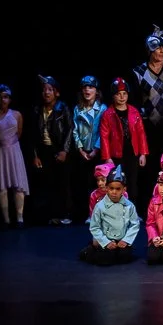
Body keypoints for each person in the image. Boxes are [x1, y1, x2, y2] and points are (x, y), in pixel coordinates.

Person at [132, 25, 163, 202]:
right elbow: (136, 101)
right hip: (149, 126)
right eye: (156, 48)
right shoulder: (139, 72)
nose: (160, 51)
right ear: (149, 50)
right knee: (150, 167)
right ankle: (151, 203)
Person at [99, 77, 149, 210]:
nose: (122, 97)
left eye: (124, 94)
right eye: (118, 94)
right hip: (116, 154)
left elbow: (141, 133)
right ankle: (117, 211)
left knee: (132, 183)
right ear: (113, 96)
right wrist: (107, 157)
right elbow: (104, 137)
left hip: (132, 152)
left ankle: (133, 211)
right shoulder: (108, 114)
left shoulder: (134, 111)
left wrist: (143, 153)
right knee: (117, 182)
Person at [30, 75, 73, 225]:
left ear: (56, 92)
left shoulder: (62, 108)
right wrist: (35, 155)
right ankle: (50, 215)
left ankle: (65, 214)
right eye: (44, 90)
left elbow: (69, 130)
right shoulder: (37, 109)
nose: (46, 93)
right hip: (44, 151)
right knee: (47, 183)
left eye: (50, 90)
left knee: (62, 183)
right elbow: (34, 135)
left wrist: (64, 151)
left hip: (59, 149)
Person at [0, 84, 29, 226]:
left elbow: (20, 132)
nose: (2, 100)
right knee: (2, 186)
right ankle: (6, 219)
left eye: (5, 97)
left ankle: (20, 218)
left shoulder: (16, 114)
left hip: (14, 151)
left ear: (9, 99)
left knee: (18, 185)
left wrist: (10, 143)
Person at [82, 164, 139, 266]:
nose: (114, 192)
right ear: (107, 188)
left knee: (124, 258)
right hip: (106, 238)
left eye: (118, 189)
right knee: (105, 260)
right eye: (111, 188)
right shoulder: (100, 206)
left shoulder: (130, 206)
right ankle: (90, 250)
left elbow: (135, 225)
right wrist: (105, 242)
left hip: (122, 239)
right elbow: (94, 226)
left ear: (124, 189)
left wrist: (126, 240)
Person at [70, 76, 105, 224]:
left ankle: (100, 215)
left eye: (90, 87)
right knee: (83, 184)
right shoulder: (77, 109)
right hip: (83, 152)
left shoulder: (102, 109)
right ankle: (87, 214)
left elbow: (103, 131)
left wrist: (96, 150)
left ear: (96, 91)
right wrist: (80, 149)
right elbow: (75, 130)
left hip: (97, 151)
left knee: (98, 184)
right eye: (84, 87)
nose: (87, 90)